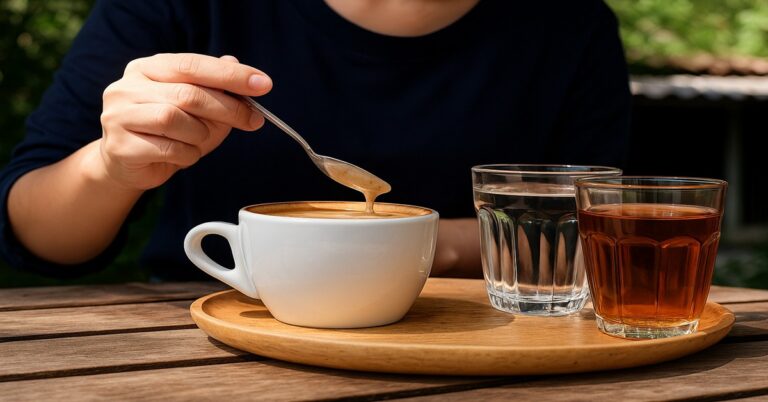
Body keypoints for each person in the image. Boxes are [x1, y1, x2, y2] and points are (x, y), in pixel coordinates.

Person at [0, 0, 631, 281]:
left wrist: (399, 250)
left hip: (475, 345)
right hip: (205, 340)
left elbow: (595, 237)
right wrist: (111, 168)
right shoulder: (184, 4)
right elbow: (38, 238)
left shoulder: (571, 26)